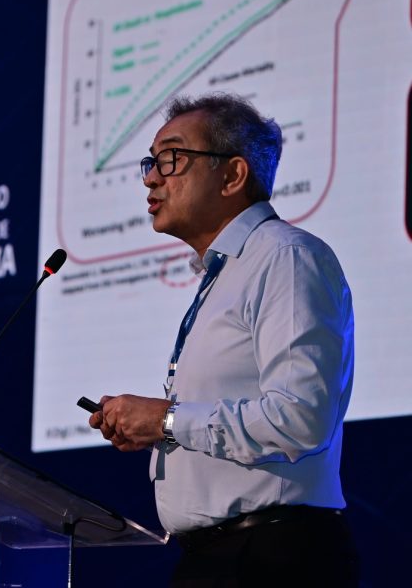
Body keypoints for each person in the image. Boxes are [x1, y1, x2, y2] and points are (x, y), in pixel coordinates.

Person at [89, 93, 359, 587]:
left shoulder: (286, 258)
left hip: (274, 559)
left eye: (171, 158)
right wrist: (154, 429)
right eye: (151, 162)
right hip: (216, 559)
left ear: (233, 175)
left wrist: (167, 419)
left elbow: (300, 418)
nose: (151, 178)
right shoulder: (224, 274)